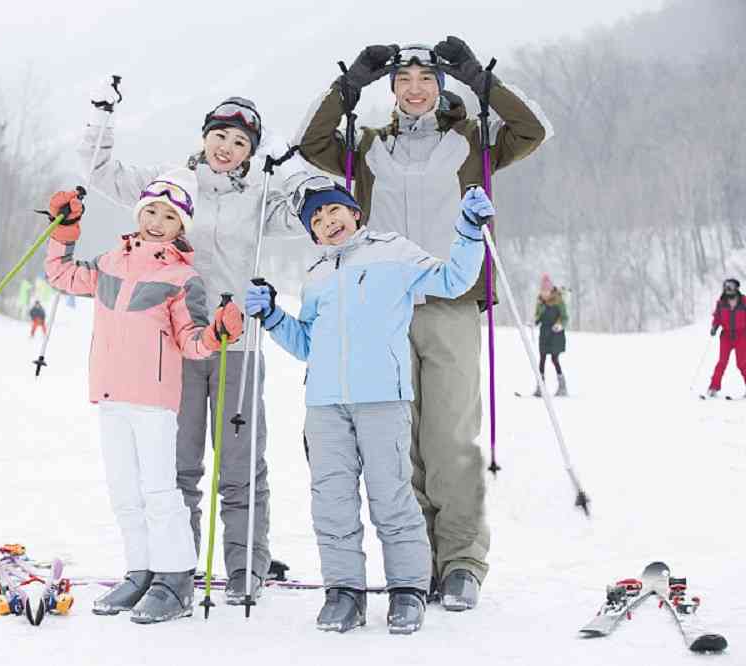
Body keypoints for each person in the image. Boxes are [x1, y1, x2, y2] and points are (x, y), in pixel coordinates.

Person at [297, 37, 551, 610]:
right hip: (379, 309)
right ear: (391, 90)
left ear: (441, 88)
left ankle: (461, 560)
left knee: (449, 439)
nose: (415, 89)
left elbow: (533, 131)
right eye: (404, 80)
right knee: (398, 440)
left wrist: (482, 83)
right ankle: (418, 562)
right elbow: (311, 141)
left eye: (427, 80)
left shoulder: (471, 139)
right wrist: (347, 87)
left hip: (451, 301)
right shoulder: (365, 147)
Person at [81, 83, 310, 603]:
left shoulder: (260, 194)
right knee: (176, 466)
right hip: (173, 346)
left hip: (238, 343)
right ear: (204, 137)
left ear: (252, 151)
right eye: (218, 135)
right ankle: (172, 570)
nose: (225, 147)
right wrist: (102, 118)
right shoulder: (169, 184)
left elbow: (313, 214)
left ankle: (245, 568)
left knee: (240, 463)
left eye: (239, 141)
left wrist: (293, 165)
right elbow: (100, 173)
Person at [245, 180, 490, 633]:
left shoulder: (392, 251)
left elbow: (454, 279)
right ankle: (344, 591)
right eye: (315, 221)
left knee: (391, 496)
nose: (327, 222)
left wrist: (469, 230)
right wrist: (274, 316)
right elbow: (307, 345)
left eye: (333, 211)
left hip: (381, 399)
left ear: (356, 212)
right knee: (331, 501)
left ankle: (408, 589)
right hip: (324, 406)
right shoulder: (316, 274)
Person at [43, 170, 244, 623]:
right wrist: (65, 232)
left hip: (153, 398)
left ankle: (174, 580)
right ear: (139, 214)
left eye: (170, 215)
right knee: (124, 491)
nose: (157, 220)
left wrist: (216, 334)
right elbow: (60, 274)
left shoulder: (182, 276)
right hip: (110, 392)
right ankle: (141, 570)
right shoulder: (110, 262)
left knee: (159, 490)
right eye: (151, 210)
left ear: (181, 226)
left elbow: (191, 340)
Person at [706, 278, 746, 398]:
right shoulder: (721, 302)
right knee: (722, 362)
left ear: (736, 288)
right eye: (726, 286)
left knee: (742, 363)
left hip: (742, 335)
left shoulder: (744, 301)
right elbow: (717, 317)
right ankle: (713, 387)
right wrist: (714, 326)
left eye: (731, 286)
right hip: (726, 336)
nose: (728, 289)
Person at [532, 274, 568, 397]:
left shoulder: (558, 300)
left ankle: (562, 386)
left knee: (554, 359)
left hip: (556, 334)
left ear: (551, 290)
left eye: (546, 290)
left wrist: (559, 324)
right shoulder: (540, 302)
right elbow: (537, 316)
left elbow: (565, 317)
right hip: (544, 333)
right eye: (542, 291)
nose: (544, 293)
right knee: (541, 359)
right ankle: (540, 388)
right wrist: (533, 322)